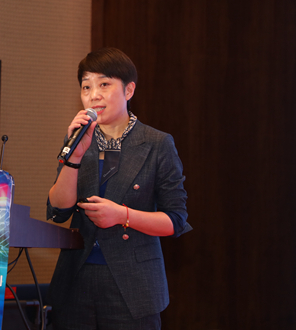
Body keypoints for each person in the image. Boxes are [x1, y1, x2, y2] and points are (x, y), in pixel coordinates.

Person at [46, 47, 190, 329]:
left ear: (129, 90)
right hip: (76, 281)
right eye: (86, 87)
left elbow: (175, 220)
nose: (93, 95)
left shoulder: (157, 143)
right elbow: (59, 210)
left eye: (104, 84)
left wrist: (123, 215)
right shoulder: (77, 141)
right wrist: (74, 156)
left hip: (133, 286)